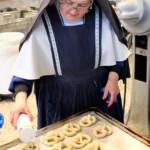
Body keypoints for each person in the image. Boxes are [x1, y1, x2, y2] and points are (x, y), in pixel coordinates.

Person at [9, 0, 131, 130]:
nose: (73, 10)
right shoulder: (44, 22)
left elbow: (117, 55)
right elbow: (25, 70)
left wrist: (113, 79)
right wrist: (20, 100)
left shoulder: (101, 17)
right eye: (68, 2)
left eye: (82, 5)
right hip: (58, 98)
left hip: (98, 92)